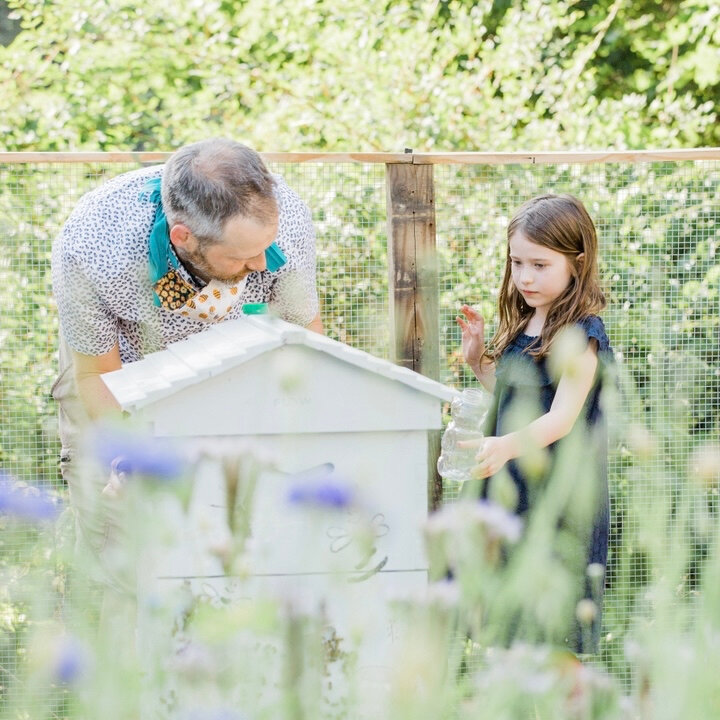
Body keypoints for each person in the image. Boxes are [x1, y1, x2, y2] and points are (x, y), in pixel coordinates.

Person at [51, 138, 323, 596]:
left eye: (265, 248)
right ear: (184, 237)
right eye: (241, 256)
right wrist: (130, 460)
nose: (261, 264)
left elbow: (304, 340)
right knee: (123, 530)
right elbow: (96, 375)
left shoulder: (285, 222)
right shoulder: (92, 247)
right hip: (119, 368)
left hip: (233, 355)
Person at [457, 193, 613, 654]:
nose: (524, 276)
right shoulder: (527, 320)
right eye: (517, 262)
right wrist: (477, 360)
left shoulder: (582, 333)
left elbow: (562, 417)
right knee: (506, 628)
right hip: (512, 489)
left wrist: (505, 445)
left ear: (577, 263)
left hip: (556, 496)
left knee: (554, 635)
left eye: (540, 265)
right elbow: (515, 396)